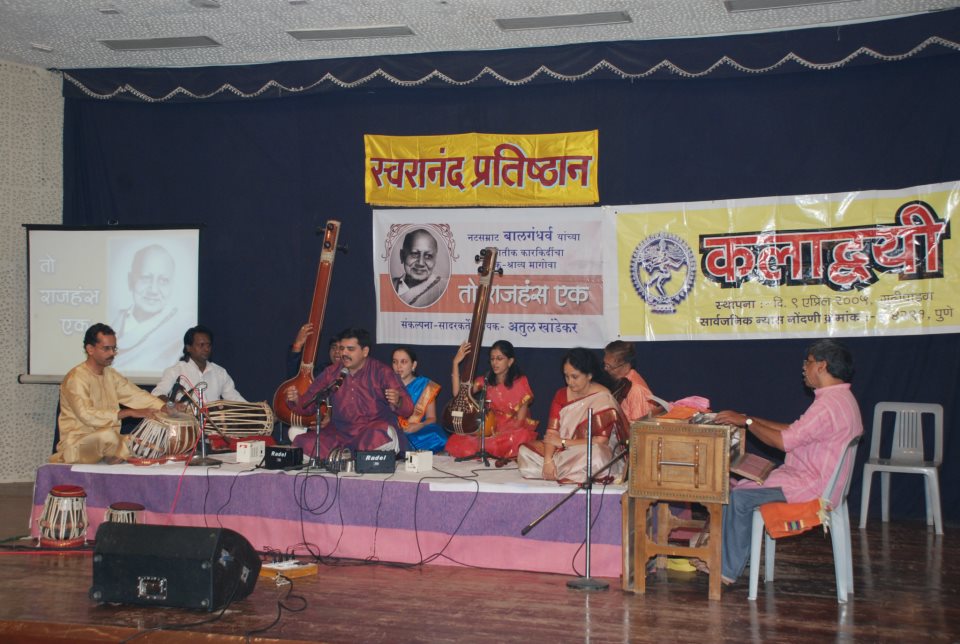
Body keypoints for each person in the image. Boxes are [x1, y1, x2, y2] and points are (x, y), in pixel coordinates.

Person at [712, 339, 863, 585]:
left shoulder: (828, 405)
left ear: (822, 366)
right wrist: (747, 418)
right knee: (739, 485)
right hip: (816, 481)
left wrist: (747, 423)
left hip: (810, 487)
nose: (804, 367)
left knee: (737, 497)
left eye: (808, 362)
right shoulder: (841, 399)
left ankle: (727, 570)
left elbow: (784, 442)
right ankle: (736, 555)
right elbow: (795, 431)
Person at [285, 328, 413, 460]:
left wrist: (398, 402)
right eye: (341, 349)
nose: (343, 353)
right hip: (339, 434)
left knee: (382, 433)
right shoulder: (332, 372)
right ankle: (348, 456)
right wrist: (296, 400)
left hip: (369, 432)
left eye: (350, 349)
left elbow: (408, 409)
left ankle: (345, 457)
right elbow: (308, 404)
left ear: (365, 351)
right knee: (303, 443)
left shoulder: (382, 372)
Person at [52, 323, 166, 464]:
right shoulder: (76, 378)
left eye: (114, 348)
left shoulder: (110, 375)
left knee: (154, 445)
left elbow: (136, 395)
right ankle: (120, 453)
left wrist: (163, 408)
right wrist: (127, 413)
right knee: (108, 436)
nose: (112, 353)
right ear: (90, 349)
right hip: (78, 445)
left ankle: (118, 454)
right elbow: (87, 415)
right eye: (106, 349)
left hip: (107, 440)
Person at [518, 348, 628, 484]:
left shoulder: (603, 398)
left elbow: (601, 441)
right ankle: (567, 472)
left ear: (589, 375)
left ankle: (564, 471)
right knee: (524, 452)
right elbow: (552, 433)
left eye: (574, 377)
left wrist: (564, 442)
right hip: (564, 453)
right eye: (566, 376)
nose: (570, 382)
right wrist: (547, 461)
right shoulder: (561, 394)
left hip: (588, 449)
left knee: (597, 455)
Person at [444, 339, 539, 460]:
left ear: (510, 361)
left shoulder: (520, 382)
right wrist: (455, 363)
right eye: (492, 359)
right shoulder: (486, 381)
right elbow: (458, 394)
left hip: (511, 430)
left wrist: (500, 435)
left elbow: (520, 421)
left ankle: (496, 449)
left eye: (499, 358)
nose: (495, 362)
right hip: (489, 427)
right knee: (458, 439)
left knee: (521, 436)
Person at [112, 244, 190, 372]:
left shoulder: (181, 330)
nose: (153, 290)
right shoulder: (112, 321)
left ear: (172, 285)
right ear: (130, 280)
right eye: (146, 278)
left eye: (163, 280)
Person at [152, 325, 245, 403]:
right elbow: (157, 394)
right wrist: (172, 405)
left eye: (208, 345)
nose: (206, 349)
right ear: (188, 348)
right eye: (201, 345)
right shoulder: (175, 371)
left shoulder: (220, 373)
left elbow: (235, 398)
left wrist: (256, 408)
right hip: (186, 423)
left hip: (212, 423)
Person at [391, 346, 447, 452]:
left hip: (416, 431)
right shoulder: (386, 385)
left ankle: (400, 448)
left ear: (413, 365)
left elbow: (431, 418)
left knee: (438, 436)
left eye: (403, 362)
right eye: (395, 362)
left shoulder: (426, 386)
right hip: (394, 430)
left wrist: (418, 426)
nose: (398, 366)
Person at [603, 340, 656, 422]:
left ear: (625, 365)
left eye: (610, 367)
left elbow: (639, 429)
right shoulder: (620, 382)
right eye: (605, 365)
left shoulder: (636, 390)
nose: (606, 369)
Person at [392, 228, 445, 307]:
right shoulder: (389, 285)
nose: (420, 263)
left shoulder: (442, 288)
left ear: (435, 260)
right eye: (414, 254)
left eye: (428, 256)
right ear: (402, 256)